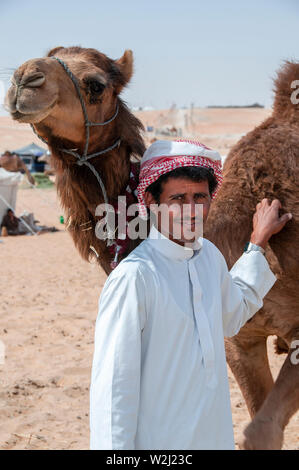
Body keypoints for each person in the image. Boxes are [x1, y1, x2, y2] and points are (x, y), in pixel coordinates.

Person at [90, 139, 292, 450]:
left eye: (200, 197)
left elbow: (233, 315)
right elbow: (113, 392)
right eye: (178, 198)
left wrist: (258, 242)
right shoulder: (134, 278)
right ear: (150, 201)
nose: (191, 210)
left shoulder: (208, 257)